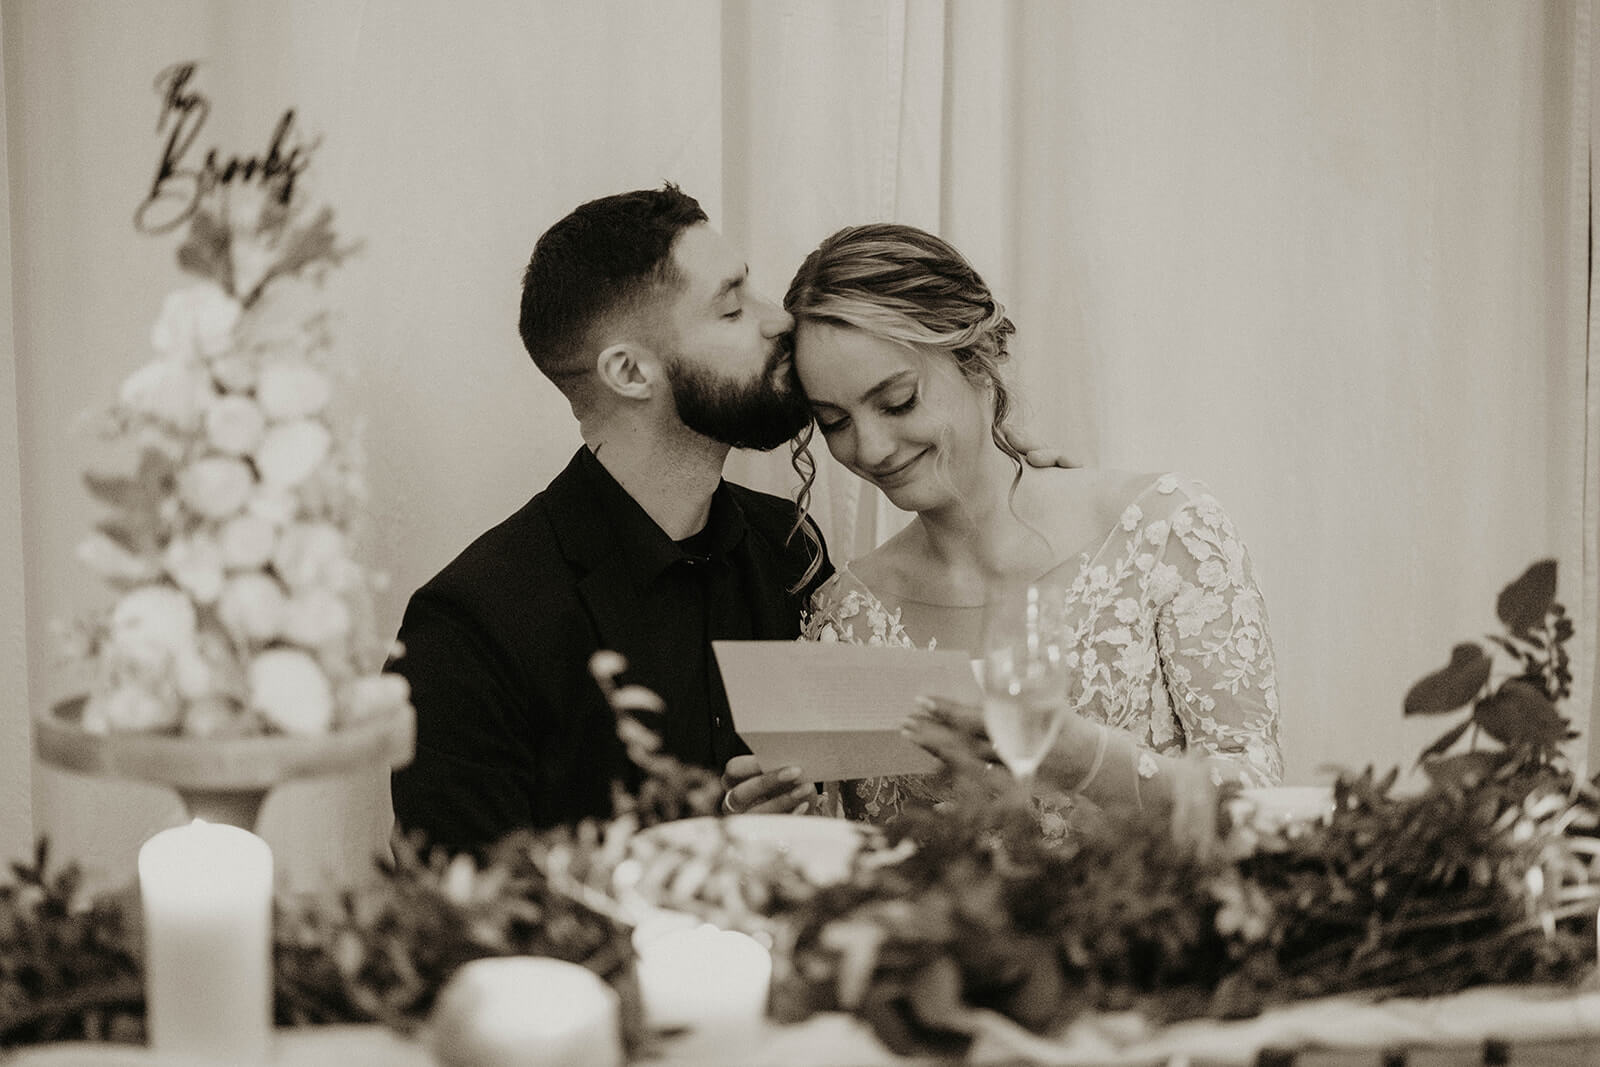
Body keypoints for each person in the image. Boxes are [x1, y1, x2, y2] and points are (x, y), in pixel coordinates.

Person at [722, 222, 1282, 827]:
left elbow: (1256, 798)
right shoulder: (846, 615)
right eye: (834, 421)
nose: (873, 447)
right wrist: (782, 817)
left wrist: (1082, 757)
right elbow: (858, 860)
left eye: (898, 401)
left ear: (977, 357)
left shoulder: (1163, 533)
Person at [388, 185, 830, 854]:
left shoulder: (790, 549)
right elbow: (469, 926)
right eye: (734, 308)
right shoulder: (472, 627)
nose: (781, 322)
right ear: (628, 371)